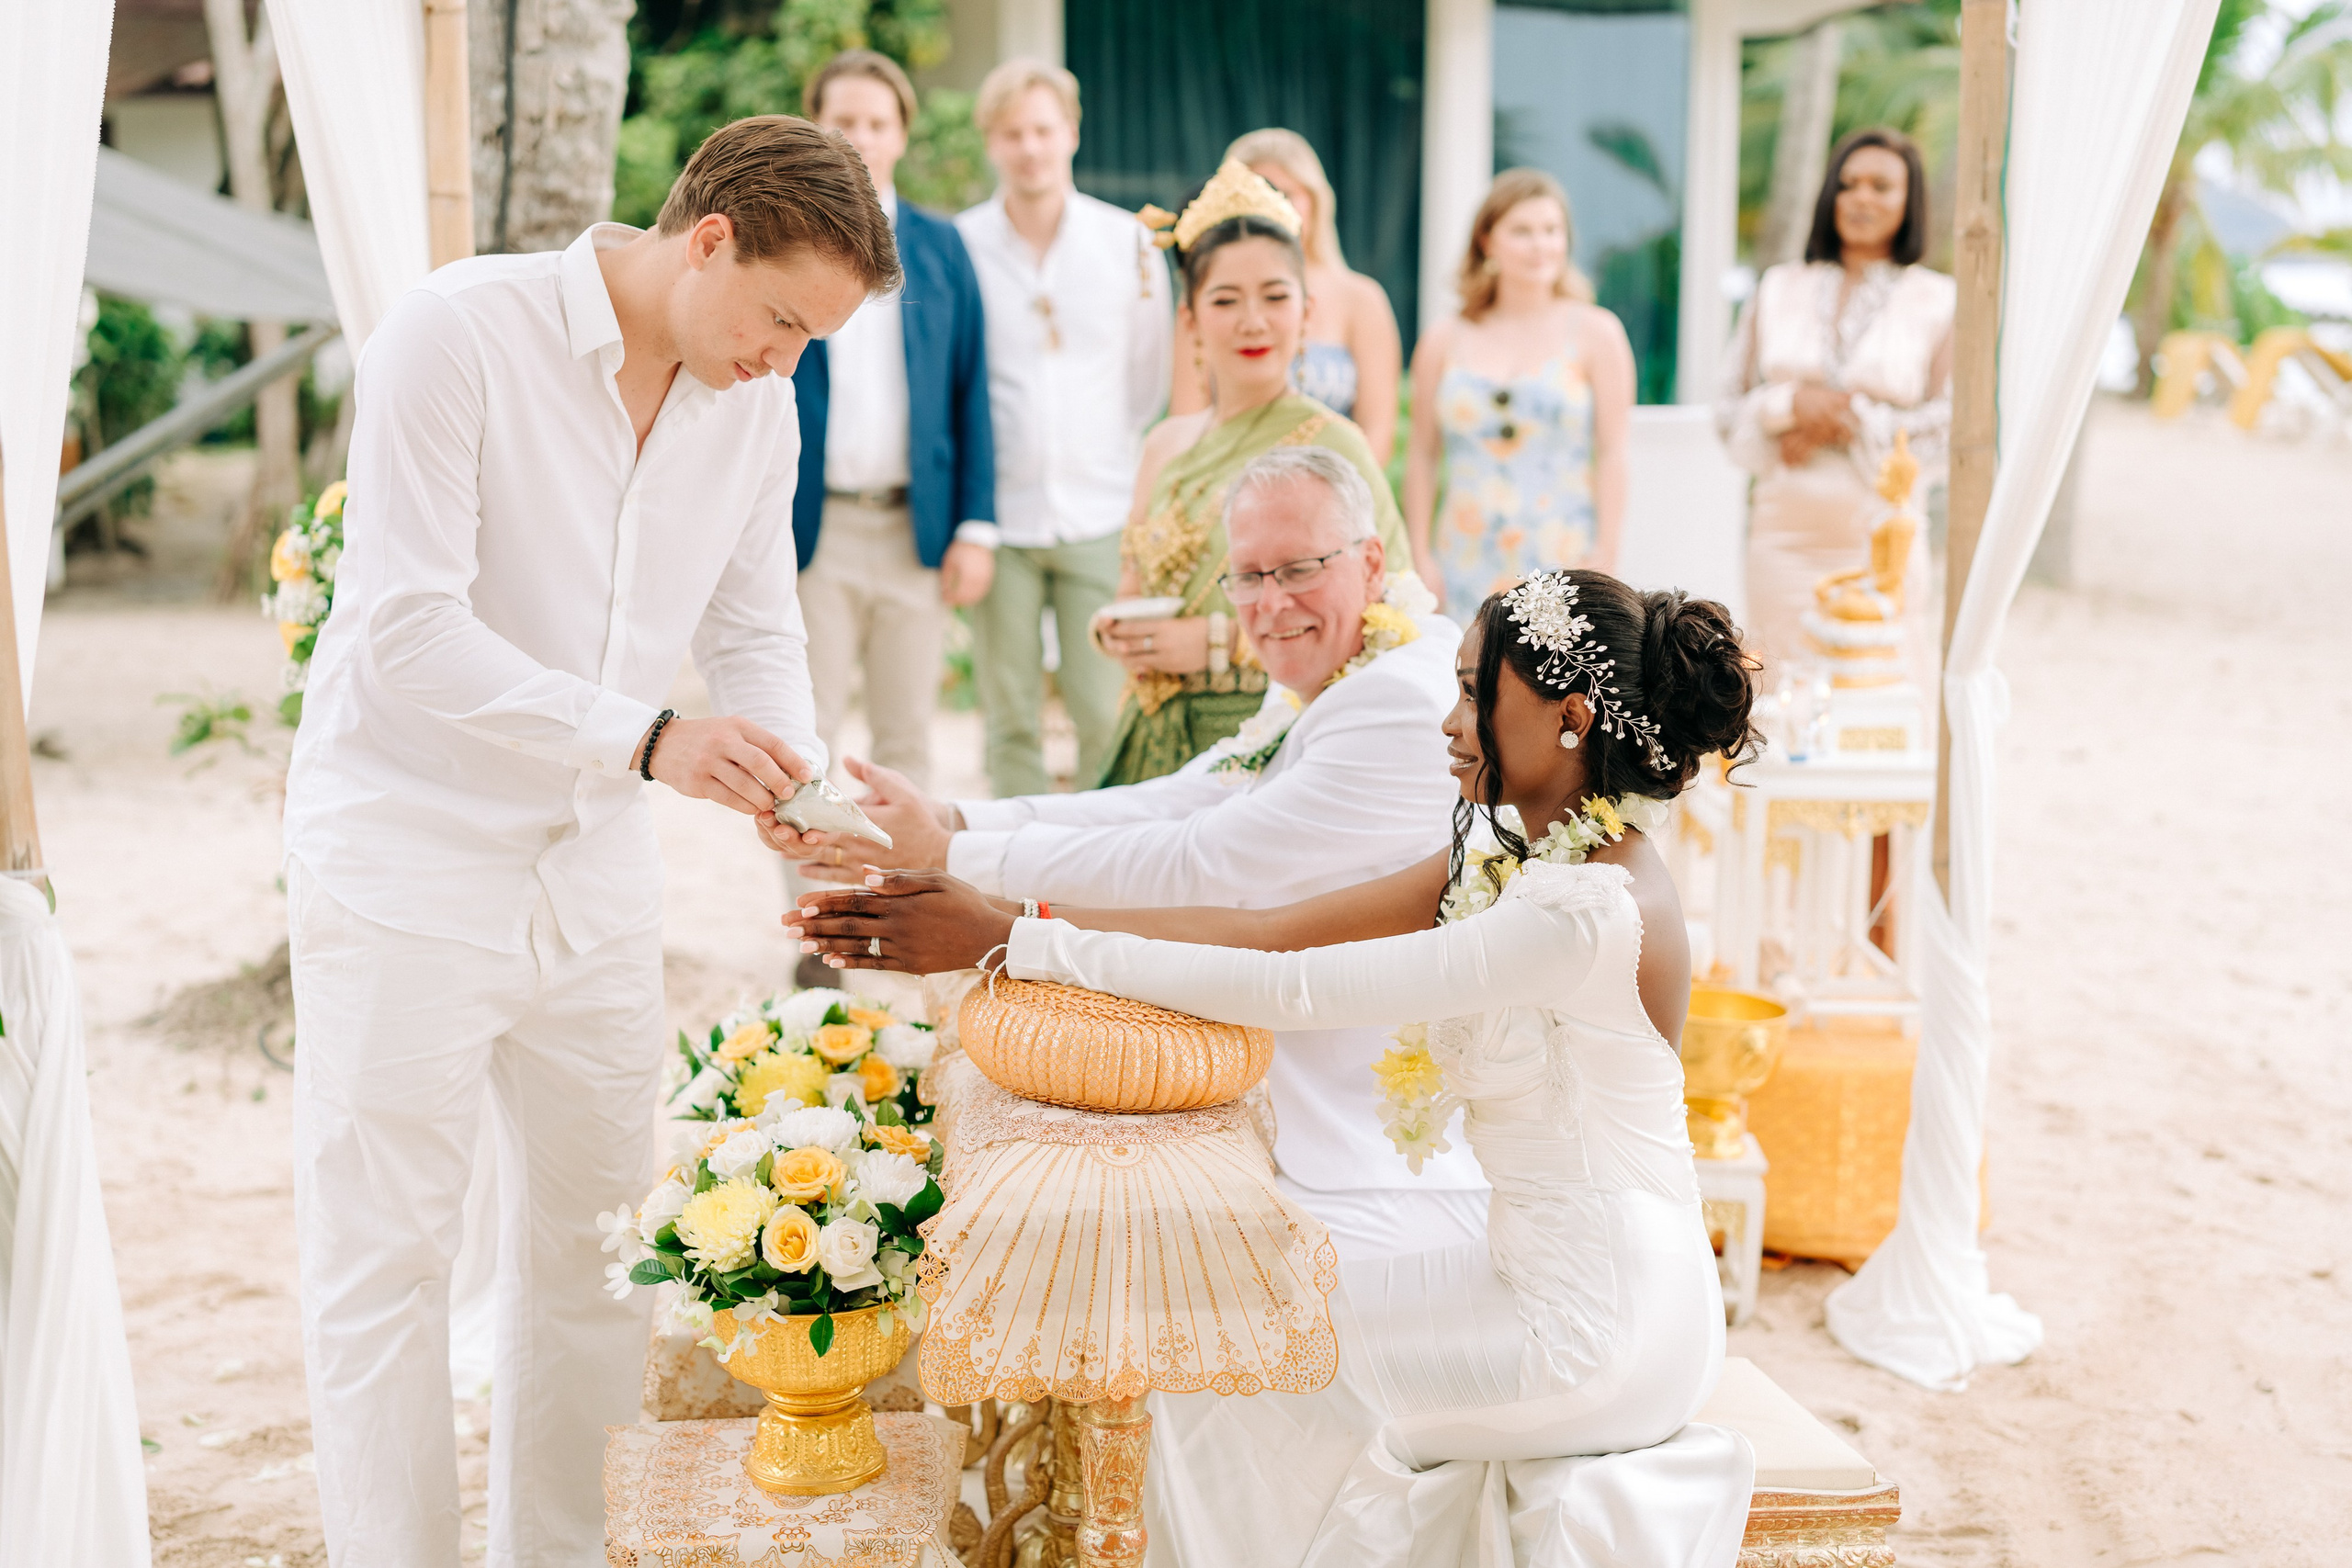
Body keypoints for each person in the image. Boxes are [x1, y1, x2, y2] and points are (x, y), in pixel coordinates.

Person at [793, 568, 1763, 1567]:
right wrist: (1007, 916)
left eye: (1476, 692)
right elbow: (1271, 933)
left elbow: (1297, 994)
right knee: (1220, 1322)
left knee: (1215, 1365)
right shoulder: (1521, 856)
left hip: (1599, 1332)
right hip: (1528, 1278)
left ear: (1569, 717)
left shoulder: (1583, 914)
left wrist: (1013, 944)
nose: (1448, 719)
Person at [279, 117, 895, 1566]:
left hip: (593, 877)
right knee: (388, 1260)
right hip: (406, 857)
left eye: (817, 343)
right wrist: (650, 737)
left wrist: (796, 802)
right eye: (783, 320)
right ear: (709, 240)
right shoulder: (454, 332)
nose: (785, 361)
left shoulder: (758, 407)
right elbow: (410, 628)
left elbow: (753, 624)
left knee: (596, 1254)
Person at [776, 445, 1487, 1258]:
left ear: (1370, 561)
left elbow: (1205, 861)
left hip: (1373, 1142)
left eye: (1297, 569)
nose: (1270, 602)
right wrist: (956, 820)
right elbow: (1182, 795)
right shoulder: (1351, 654)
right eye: (1248, 576)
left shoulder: (1392, 700)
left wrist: (953, 858)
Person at [1093, 160, 1413, 786]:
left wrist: (1214, 645)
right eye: (1225, 299)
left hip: (1272, 746)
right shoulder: (1164, 445)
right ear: (1190, 320)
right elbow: (1132, 585)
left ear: (1306, 311)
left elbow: (1392, 617)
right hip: (1151, 744)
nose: (1253, 320)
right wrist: (1117, 630)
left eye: (1274, 296)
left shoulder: (1334, 444)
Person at [956, 59, 1172, 797]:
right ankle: (1011, 876)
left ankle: (1096, 878)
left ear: (1072, 134)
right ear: (991, 141)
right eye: (1013, 133)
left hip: (1099, 510)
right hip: (1001, 517)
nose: (1030, 148)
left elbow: (1149, 377)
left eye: (1044, 129)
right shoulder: (962, 245)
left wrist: (1108, 457)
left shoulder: (1129, 245)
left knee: (1103, 710)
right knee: (1008, 712)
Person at [792, 51, 994, 800]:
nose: (861, 138)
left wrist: (977, 524)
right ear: (814, 127)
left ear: (902, 135)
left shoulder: (943, 248)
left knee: (907, 741)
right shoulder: (782, 237)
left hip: (917, 530)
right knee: (800, 740)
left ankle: (896, 913)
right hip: (813, 530)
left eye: (877, 123)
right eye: (843, 121)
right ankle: (819, 917)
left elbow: (972, 387)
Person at [1717, 128, 1951, 684]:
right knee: (1776, 690)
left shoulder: (1941, 301)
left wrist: (1844, 420)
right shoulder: (1778, 287)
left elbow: (1951, 426)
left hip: (1880, 537)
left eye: (1880, 186)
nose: (1861, 198)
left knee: (1881, 695)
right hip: (1783, 535)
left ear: (1909, 200)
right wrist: (1790, 404)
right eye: (1847, 185)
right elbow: (1729, 410)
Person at [1404, 168, 1635, 612]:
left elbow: (1613, 453)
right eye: (1522, 231)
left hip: (1564, 558)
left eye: (1552, 230)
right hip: (1463, 561)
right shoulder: (1443, 340)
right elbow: (1422, 453)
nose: (1540, 245)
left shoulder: (1596, 333)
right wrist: (1421, 555)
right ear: (1487, 241)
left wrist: (1605, 557)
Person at [1168, 129, 1403, 465]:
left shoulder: (1361, 298)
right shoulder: (1205, 304)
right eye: (1254, 193)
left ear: (1315, 200)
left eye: (1282, 194)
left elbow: (1378, 429)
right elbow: (1185, 420)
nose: (1266, 208)